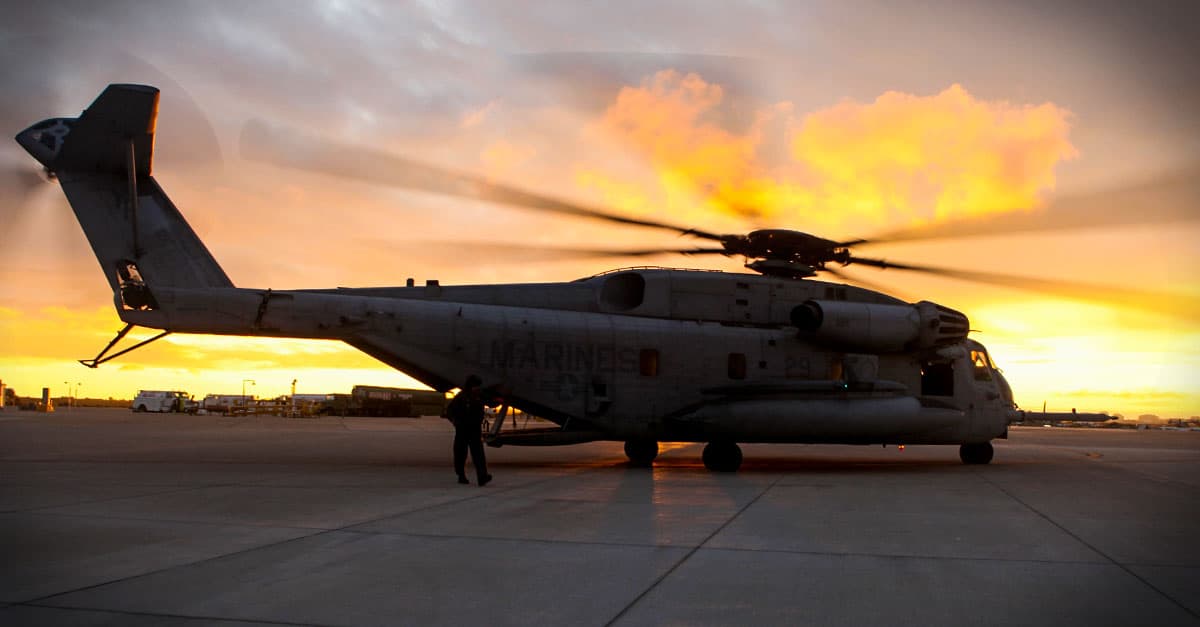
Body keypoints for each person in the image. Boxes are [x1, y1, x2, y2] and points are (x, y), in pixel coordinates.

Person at [445, 374, 492, 486]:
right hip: (463, 430)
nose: (478, 388)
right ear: (470, 386)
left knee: (479, 454)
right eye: (476, 386)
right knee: (461, 454)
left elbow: (492, 403)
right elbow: (449, 411)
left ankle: (482, 477)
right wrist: (455, 422)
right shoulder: (461, 397)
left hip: (475, 430)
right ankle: (461, 475)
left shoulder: (479, 396)